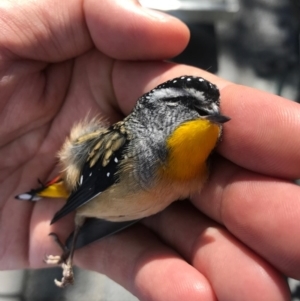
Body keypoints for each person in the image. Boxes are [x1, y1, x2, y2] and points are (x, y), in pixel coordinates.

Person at [0, 0, 299, 300]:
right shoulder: (126, 152)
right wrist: (70, 247)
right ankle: (54, 227)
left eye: (213, 110)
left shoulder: (196, 169)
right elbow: (81, 194)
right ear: (162, 111)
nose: (211, 116)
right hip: (77, 185)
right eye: (192, 108)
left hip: (131, 209)